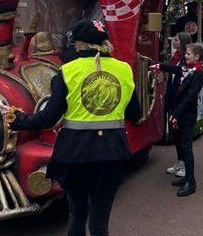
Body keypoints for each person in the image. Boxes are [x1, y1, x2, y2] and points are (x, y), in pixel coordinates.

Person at [9, 19, 141, 235]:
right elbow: (135, 114)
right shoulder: (124, 70)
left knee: (78, 214)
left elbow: (48, 118)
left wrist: (18, 119)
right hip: (112, 154)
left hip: (76, 154)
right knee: (99, 224)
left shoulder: (68, 71)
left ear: (78, 44)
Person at [151, 43, 203, 197]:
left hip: (186, 115)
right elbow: (174, 68)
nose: (186, 56)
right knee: (180, 144)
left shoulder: (198, 74)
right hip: (177, 112)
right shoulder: (185, 68)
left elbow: (190, 98)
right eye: (186, 53)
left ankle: (191, 182)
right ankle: (186, 177)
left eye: (189, 54)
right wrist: (159, 65)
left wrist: (177, 114)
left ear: (197, 57)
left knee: (186, 147)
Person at [164, 31, 192, 177]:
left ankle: (186, 165)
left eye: (176, 40)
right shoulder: (174, 58)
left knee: (182, 134)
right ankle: (180, 161)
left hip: (181, 100)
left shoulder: (186, 60)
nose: (173, 41)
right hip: (172, 98)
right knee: (176, 133)